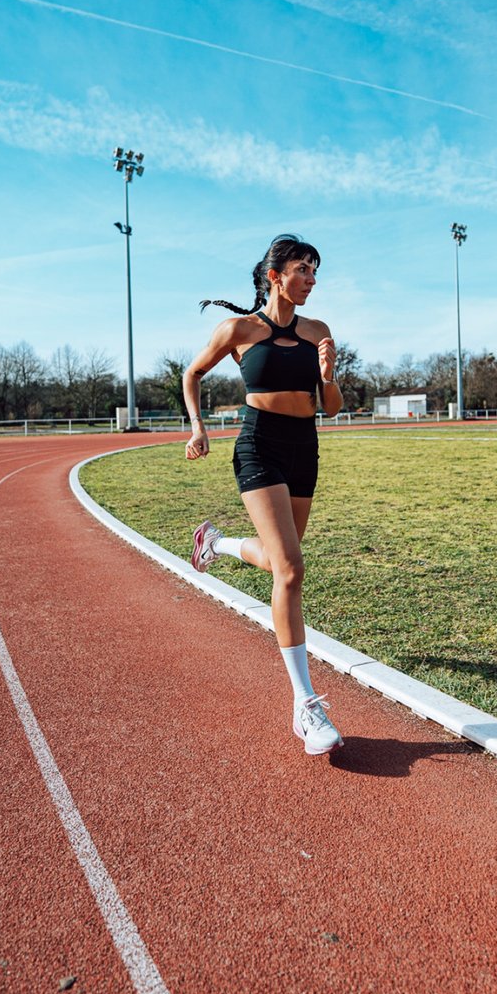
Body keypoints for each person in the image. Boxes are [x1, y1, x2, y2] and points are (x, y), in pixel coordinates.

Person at [182, 233, 345, 756]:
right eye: (304, 270)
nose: (312, 281)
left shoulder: (318, 331)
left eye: (315, 272)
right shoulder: (238, 329)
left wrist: (328, 375)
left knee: (281, 564)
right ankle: (305, 705)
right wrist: (198, 428)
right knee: (292, 569)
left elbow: (333, 407)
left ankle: (218, 544)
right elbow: (193, 374)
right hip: (258, 445)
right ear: (275, 275)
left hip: (305, 446)